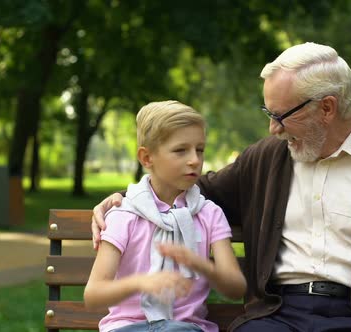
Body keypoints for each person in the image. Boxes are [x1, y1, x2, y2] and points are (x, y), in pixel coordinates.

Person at [91, 43, 351, 331]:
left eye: (281, 115)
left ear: (327, 108)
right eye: (268, 114)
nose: (273, 129)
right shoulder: (268, 157)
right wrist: (126, 200)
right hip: (277, 315)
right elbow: (194, 189)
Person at [84, 100, 246, 332]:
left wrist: (203, 266)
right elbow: (93, 295)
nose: (195, 160)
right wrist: (141, 282)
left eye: (199, 149)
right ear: (147, 158)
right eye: (181, 150)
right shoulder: (123, 216)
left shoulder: (209, 214)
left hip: (185, 328)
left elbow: (236, 289)